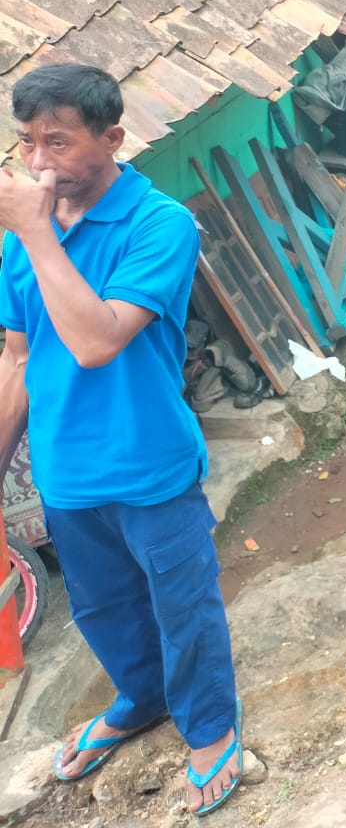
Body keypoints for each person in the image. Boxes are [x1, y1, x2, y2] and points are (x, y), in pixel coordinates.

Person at [0, 65, 241, 816]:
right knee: (103, 609)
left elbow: (96, 341)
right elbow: (18, 358)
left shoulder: (159, 224)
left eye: (58, 142)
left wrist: (35, 232)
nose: (38, 161)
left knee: (183, 605)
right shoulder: (24, 241)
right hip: (66, 472)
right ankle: (141, 699)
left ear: (112, 138)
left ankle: (210, 728)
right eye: (26, 142)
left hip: (148, 464)